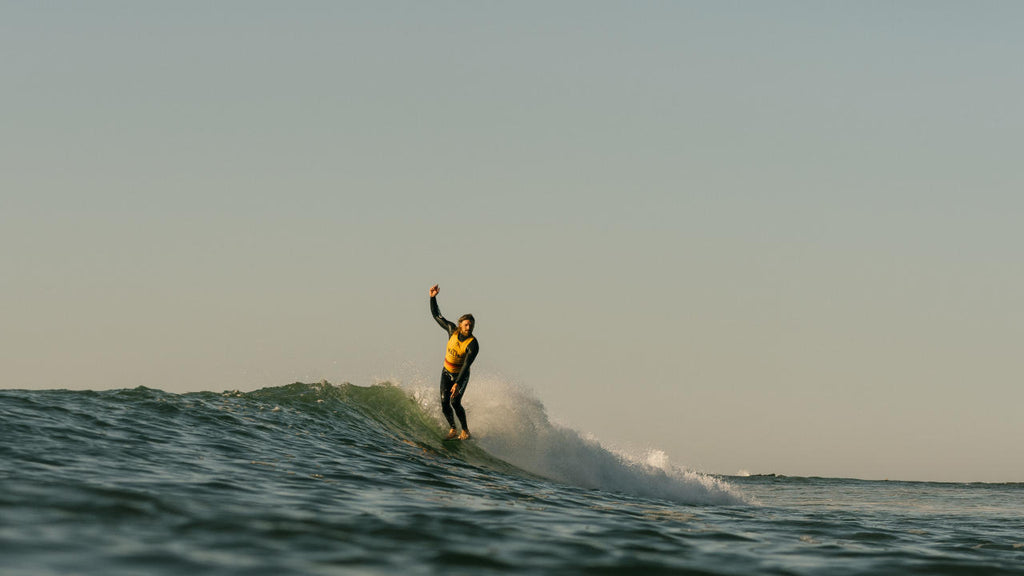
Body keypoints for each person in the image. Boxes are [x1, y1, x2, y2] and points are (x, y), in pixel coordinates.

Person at [428, 284, 479, 440]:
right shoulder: (452, 330)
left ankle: (465, 430)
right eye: (466, 325)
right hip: (446, 371)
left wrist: (457, 383)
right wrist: (432, 298)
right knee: (444, 402)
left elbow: (466, 365)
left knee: (455, 402)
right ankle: (453, 429)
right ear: (460, 325)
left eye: (471, 325)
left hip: (461, 375)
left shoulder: (472, 344)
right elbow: (437, 315)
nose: (468, 327)